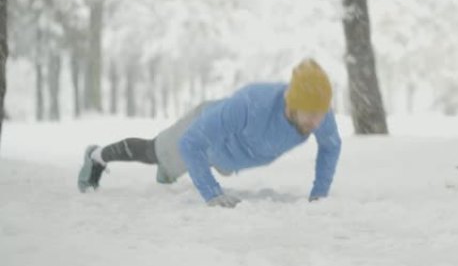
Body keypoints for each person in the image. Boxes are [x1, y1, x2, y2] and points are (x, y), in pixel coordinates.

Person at [77, 59, 342, 207]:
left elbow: (331, 146)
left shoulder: (319, 111)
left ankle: (170, 170)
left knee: (173, 167)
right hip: (205, 131)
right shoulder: (250, 104)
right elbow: (191, 142)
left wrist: (319, 193)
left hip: (228, 157)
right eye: (310, 115)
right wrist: (212, 192)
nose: (317, 122)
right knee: (152, 151)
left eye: (321, 114)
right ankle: (97, 156)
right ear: (291, 104)